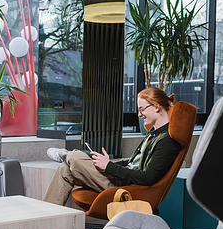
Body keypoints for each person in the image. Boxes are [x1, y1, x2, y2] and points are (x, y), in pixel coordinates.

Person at [43, 87, 181, 206]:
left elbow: (147, 177)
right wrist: (107, 163)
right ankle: (46, 219)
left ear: (156, 106)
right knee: (64, 169)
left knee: (75, 157)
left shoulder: (167, 140)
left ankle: (63, 154)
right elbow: (132, 163)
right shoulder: (154, 134)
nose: (139, 114)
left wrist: (110, 167)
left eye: (142, 109)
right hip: (120, 178)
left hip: (125, 187)